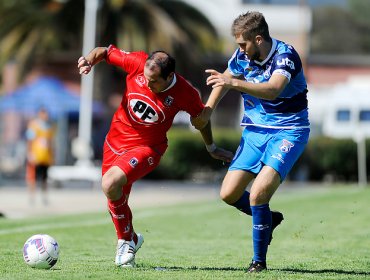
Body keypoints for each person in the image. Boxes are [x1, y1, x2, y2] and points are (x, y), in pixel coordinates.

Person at [77, 45, 233, 268]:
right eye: (146, 79)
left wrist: (211, 147)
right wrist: (90, 60)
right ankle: (131, 239)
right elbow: (103, 51)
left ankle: (124, 242)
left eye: (154, 82)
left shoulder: (185, 93)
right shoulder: (137, 63)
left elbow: (201, 120)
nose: (148, 85)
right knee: (115, 196)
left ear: (170, 76)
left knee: (110, 183)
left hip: (147, 148)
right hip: (113, 144)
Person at [192, 11, 310, 273]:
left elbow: (273, 89)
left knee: (258, 194)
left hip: (288, 131)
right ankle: (270, 219)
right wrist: (208, 110)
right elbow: (224, 79)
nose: (240, 50)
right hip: (254, 132)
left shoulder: (285, 56)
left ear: (258, 39)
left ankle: (259, 262)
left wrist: (234, 83)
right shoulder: (243, 56)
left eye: (242, 44)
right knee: (228, 194)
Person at [25, 107, 55, 205]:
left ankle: (44, 197)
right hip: (36, 157)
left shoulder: (49, 128)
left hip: (45, 157)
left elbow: (50, 143)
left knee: (44, 179)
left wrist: (51, 156)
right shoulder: (34, 126)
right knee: (32, 178)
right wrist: (30, 153)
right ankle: (32, 197)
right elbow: (29, 140)